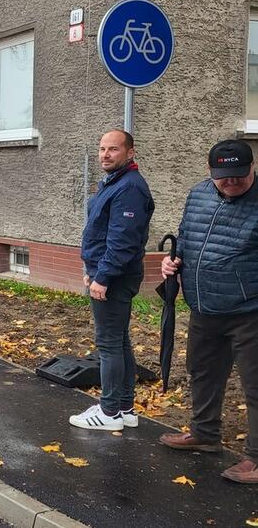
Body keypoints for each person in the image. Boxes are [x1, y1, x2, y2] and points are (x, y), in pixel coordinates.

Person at [158, 139, 258, 484]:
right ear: (210, 171)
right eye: (223, 176)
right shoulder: (198, 194)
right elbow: (188, 236)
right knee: (201, 372)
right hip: (204, 306)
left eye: (238, 176)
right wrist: (174, 261)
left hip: (250, 311)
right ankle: (204, 434)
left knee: (255, 386)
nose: (231, 183)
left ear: (252, 167)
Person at [70, 130, 154, 431]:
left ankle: (108, 412)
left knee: (109, 343)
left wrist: (102, 277)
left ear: (130, 153)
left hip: (115, 277)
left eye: (113, 149)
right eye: (102, 149)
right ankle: (125, 408)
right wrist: (92, 269)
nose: (105, 154)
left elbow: (122, 241)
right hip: (108, 273)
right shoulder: (116, 183)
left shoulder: (129, 188)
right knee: (119, 340)